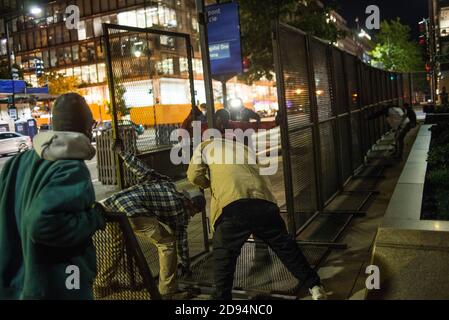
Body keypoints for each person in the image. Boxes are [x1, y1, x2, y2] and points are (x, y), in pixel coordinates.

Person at [187, 109, 327, 300]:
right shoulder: (243, 149)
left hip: (233, 205)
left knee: (223, 257)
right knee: (286, 248)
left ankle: (223, 300)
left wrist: (209, 183)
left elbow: (194, 175)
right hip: (265, 202)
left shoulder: (204, 146)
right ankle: (315, 287)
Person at [0, 93, 106, 300]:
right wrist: (95, 218)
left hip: (13, 286)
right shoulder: (71, 168)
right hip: (55, 287)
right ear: (87, 128)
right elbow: (42, 223)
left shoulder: (16, 163)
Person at [98, 140, 206, 300]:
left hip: (111, 205)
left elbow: (143, 171)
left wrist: (123, 153)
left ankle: (101, 285)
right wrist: (185, 265)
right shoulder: (181, 214)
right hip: (132, 210)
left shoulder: (167, 183)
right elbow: (181, 241)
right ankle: (167, 291)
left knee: (116, 247)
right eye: (194, 212)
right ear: (191, 205)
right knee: (167, 243)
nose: (192, 215)